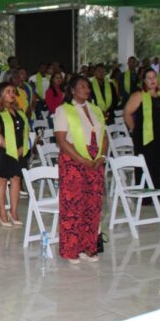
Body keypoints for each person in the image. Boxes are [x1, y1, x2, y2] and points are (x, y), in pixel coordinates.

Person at [53, 75, 108, 264]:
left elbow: (104, 136)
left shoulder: (95, 110)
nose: (86, 90)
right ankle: (71, 249)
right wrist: (82, 160)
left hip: (95, 161)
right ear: (72, 90)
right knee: (73, 205)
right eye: (82, 87)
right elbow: (61, 140)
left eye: (88, 87)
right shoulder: (63, 110)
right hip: (73, 162)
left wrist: (102, 156)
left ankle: (89, 246)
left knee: (92, 204)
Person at [0, 82, 30, 227]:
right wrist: (11, 148)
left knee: (16, 180)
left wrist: (22, 148)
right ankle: (2, 211)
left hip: (19, 151)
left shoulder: (19, 111)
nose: (12, 94)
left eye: (13, 91)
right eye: (8, 91)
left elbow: (24, 132)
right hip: (5, 151)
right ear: (0, 94)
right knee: (2, 180)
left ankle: (13, 211)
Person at [124, 69, 160, 190]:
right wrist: (134, 129)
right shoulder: (139, 95)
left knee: (157, 165)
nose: (152, 80)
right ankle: (145, 197)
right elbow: (127, 113)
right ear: (144, 80)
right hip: (143, 136)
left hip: (159, 135)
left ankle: (155, 192)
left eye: (154, 77)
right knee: (145, 165)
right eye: (149, 78)